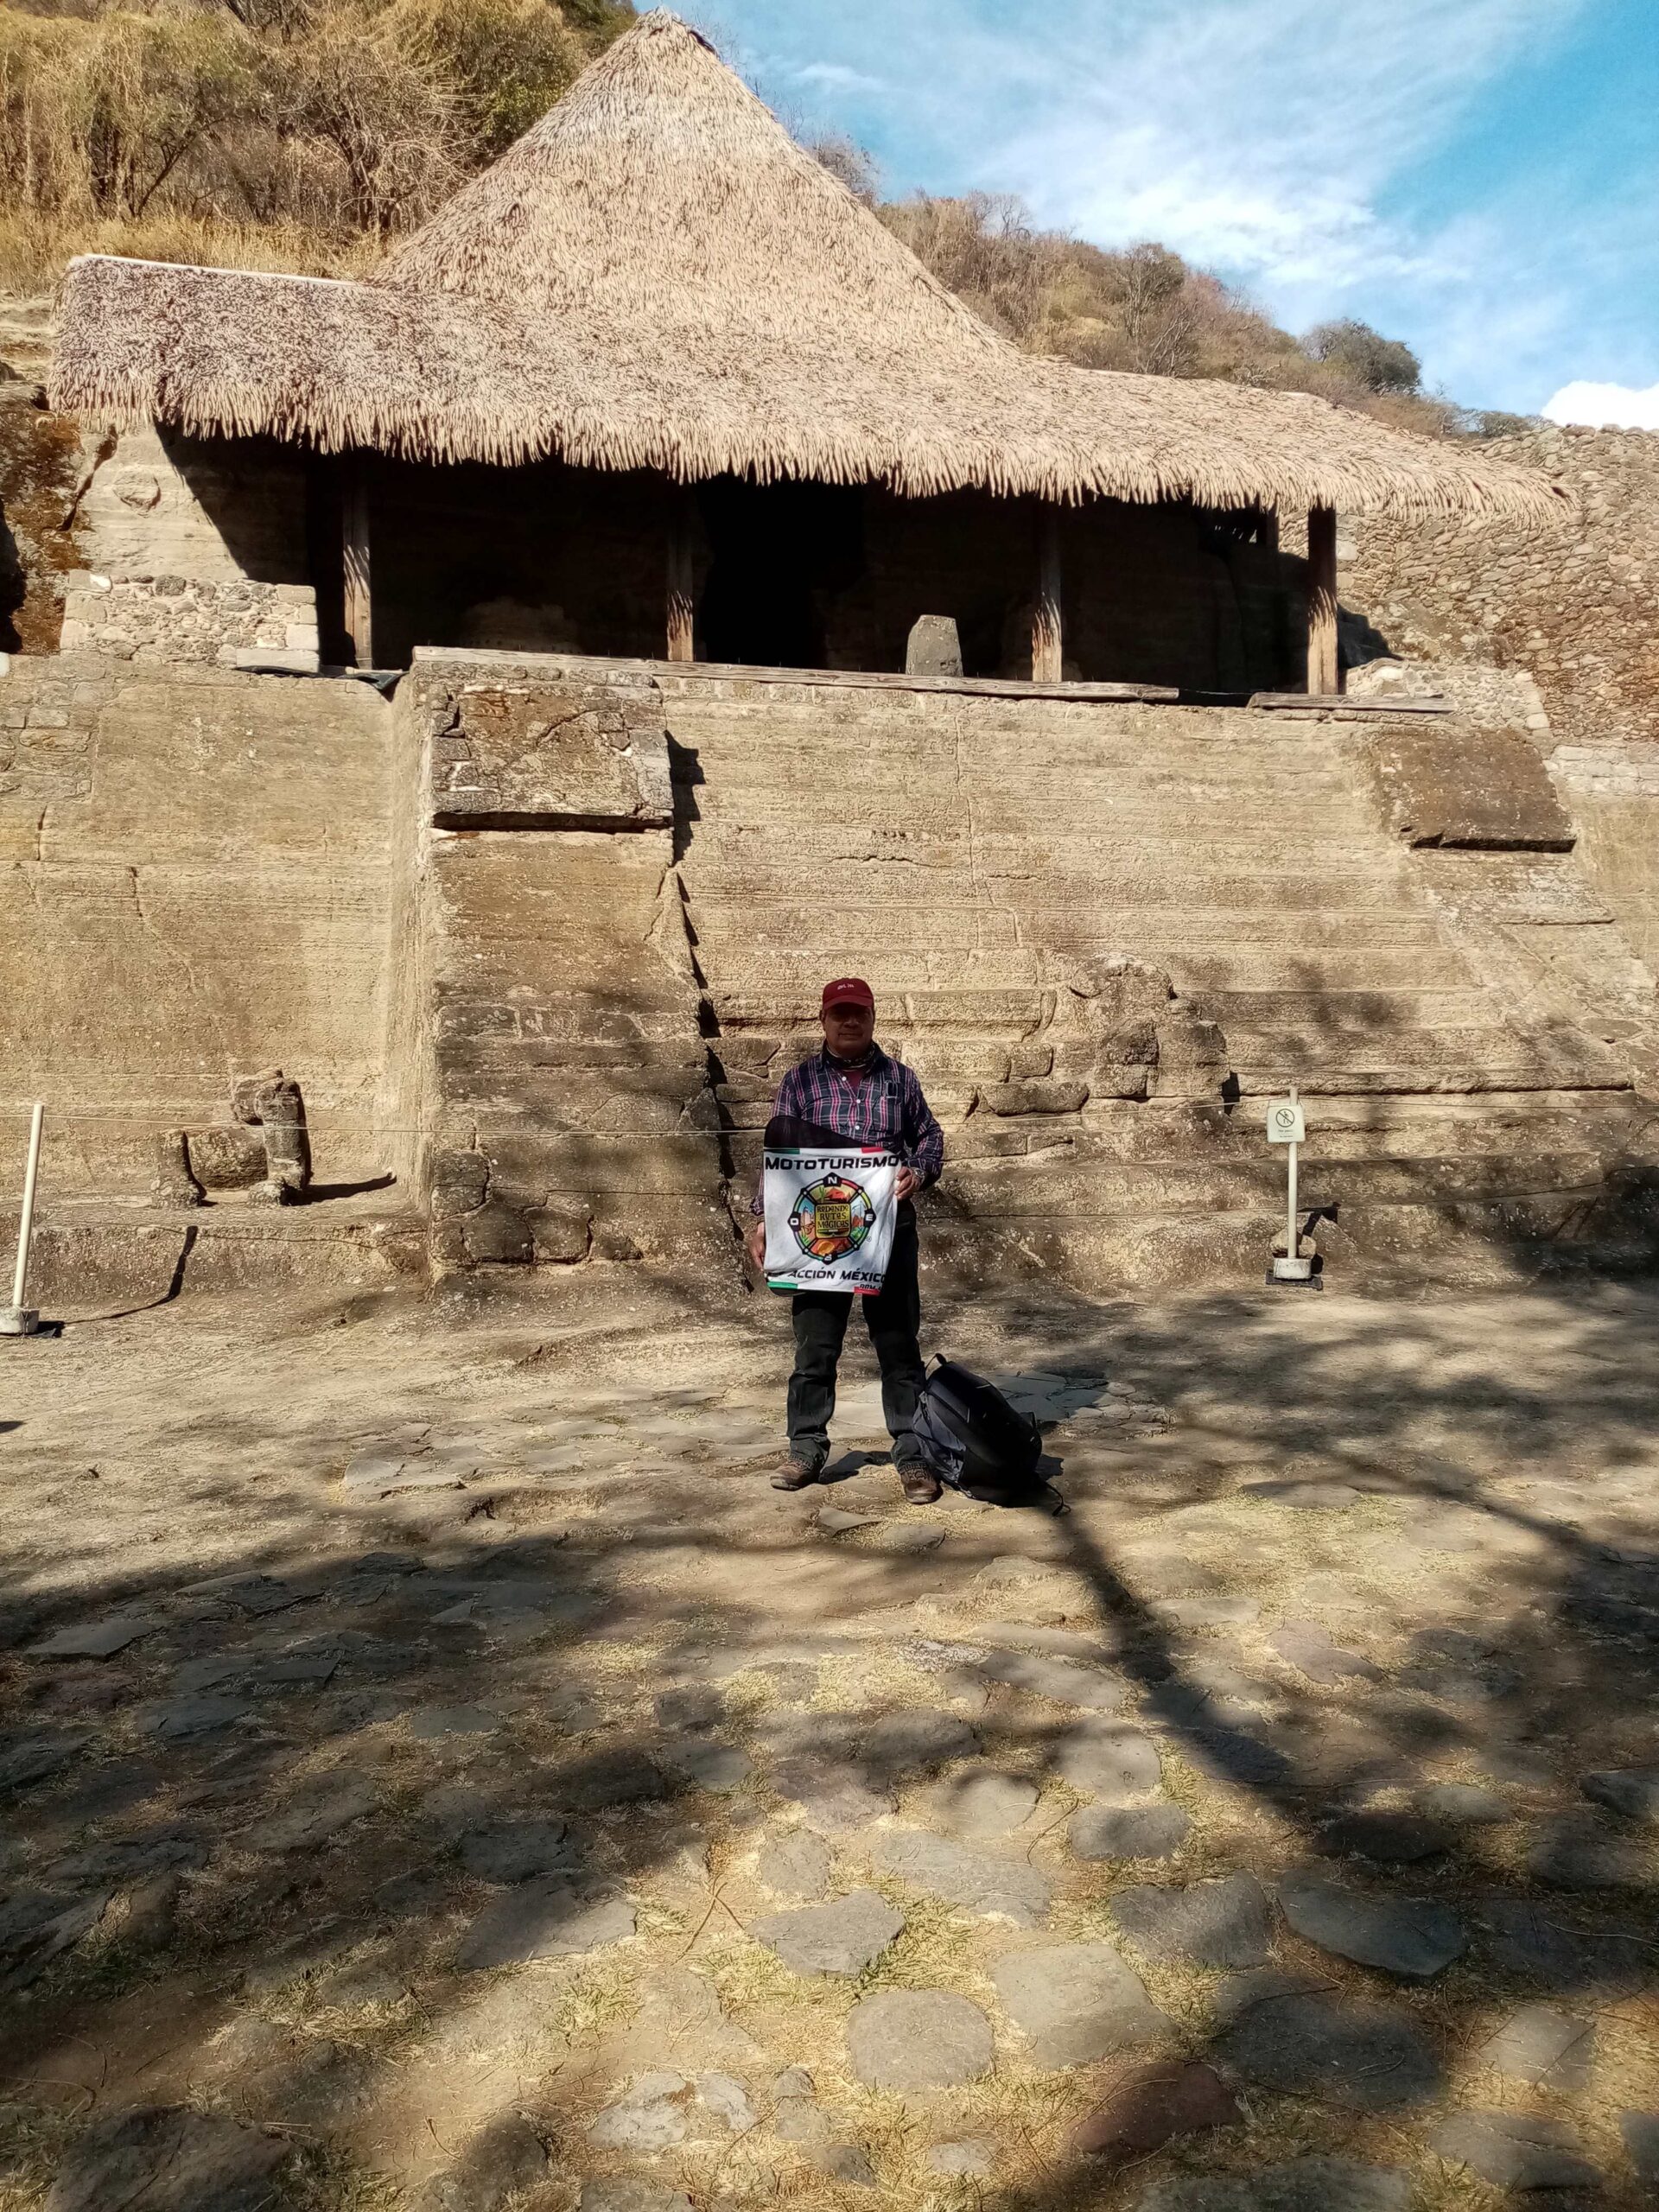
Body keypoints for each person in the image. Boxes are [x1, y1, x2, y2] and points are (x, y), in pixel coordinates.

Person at [747, 978, 945, 1499]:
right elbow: (780, 1158)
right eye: (840, 1013)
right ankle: (805, 1448)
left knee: (899, 1347)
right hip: (818, 1235)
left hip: (888, 1230)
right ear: (824, 1020)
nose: (849, 1021)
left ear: (873, 1017)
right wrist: (764, 1218)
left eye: (858, 1012)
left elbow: (930, 1137)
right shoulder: (799, 1083)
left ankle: (913, 1453)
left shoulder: (901, 1080)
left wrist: (918, 1172)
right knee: (815, 1347)